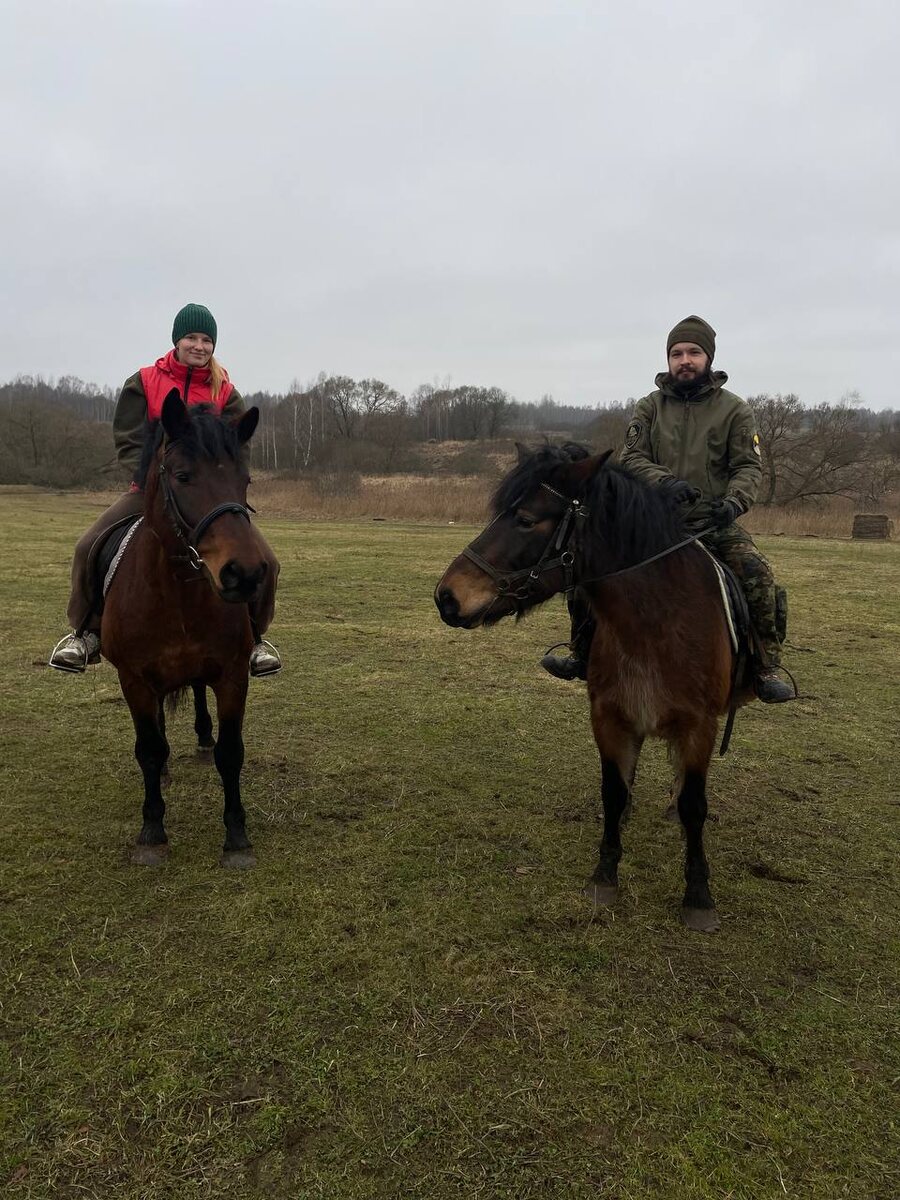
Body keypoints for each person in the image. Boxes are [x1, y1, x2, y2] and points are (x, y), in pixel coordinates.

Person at [541, 314, 793, 703]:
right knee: (584, 569)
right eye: (677, 353)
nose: (685, 360)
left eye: (693, 352)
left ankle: (766, 665)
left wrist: (731, 503)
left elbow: (748, 466)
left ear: (708, 357)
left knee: (758, 575)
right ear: (668, 359)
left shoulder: (735, 410)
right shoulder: (649, 407)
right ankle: (580, 651)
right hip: (650, 522)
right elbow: (632, 456)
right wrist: (664, 482)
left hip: (712, 522)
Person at [49, 303, 282, 677]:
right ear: (177, 340)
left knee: (267, 562)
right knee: (87, 547)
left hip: (208, 497)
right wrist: (151, 480)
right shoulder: (143, 382)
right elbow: (128, 438)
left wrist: (227, 487)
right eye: (192, 337)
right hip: (150, 489)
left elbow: (238, 449)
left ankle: (255, 640)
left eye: (207, 340)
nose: (199, 345)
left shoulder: (227, 392)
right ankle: (85, 633)